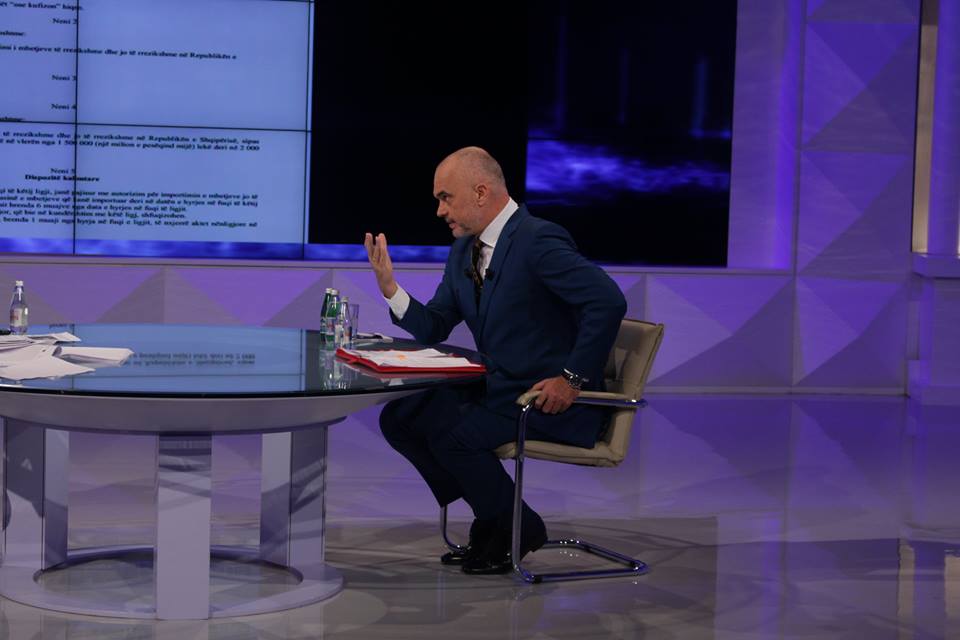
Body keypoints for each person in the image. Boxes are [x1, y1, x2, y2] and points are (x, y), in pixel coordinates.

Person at [364, 146, 626, 574]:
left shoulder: (538, 240)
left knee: (454, 438)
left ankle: (515, 526)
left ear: (481, 192)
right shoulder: (463, 251)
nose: (439, 210)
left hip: (547, 400)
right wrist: (390, 288)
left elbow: (608, 302)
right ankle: (495, 514)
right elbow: (434, 325)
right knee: (401, 419)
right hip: (500, 391)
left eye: (445, 197)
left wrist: (571, 379)